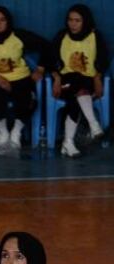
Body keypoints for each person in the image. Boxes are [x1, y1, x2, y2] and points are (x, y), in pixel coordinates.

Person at [0, 6, 50, 154]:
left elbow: (46, 46)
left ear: (8, 22)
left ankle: (16, 133)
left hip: (21, 78)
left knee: (29, 100)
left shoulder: (19, 35)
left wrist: (40, 69)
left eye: (2, 20)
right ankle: (3, 134)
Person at [51, 3, 108, 157]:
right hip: (65, 83)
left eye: (77, 20)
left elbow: (103, 59)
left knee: (76, 95)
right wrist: (56, 78)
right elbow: (50, 60)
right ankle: (93, 124)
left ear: (85, 21)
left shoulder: (95, 36)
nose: (73, 24)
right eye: (70, 20)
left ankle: (67, 142)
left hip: (86, 84)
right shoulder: (61, 36)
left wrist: (97, 78)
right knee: (76, 82)